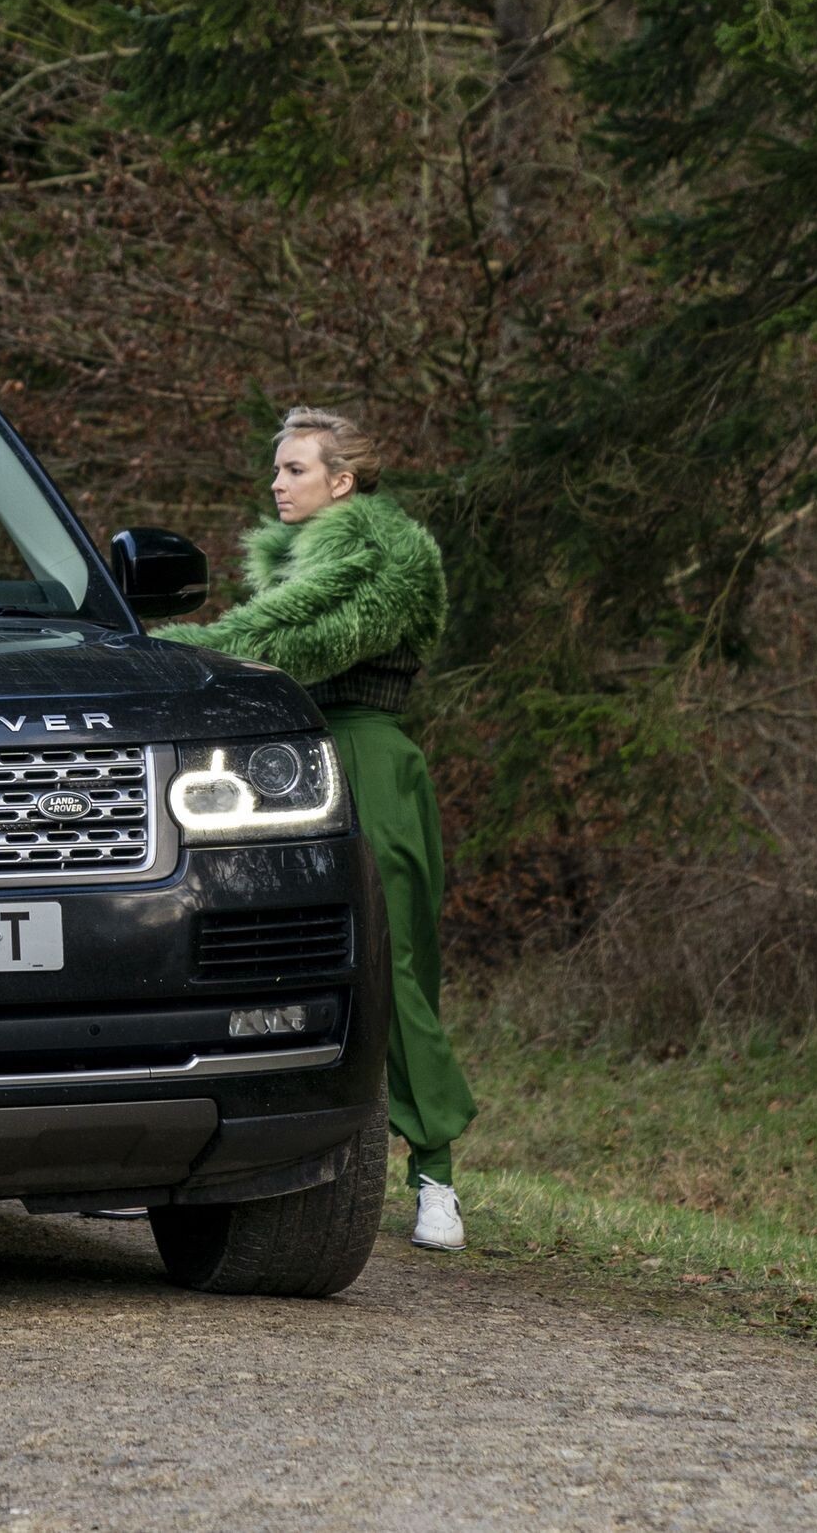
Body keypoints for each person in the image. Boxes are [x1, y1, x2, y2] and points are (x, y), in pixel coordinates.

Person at [156, 408, 477, 1252]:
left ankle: (435, 1174)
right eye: (276, 468)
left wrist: (167, 653)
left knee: (395, 965)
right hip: (291, 765)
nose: (276, 483)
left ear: (343, 480)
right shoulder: (305, 557)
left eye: (294, 468)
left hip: (368, 761)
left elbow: (281, 642)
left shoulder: (384, 553)